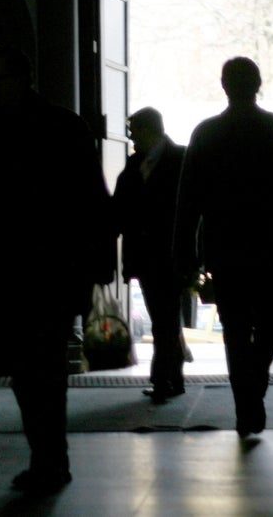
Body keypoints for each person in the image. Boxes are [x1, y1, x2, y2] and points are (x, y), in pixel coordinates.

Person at [0, 46, 115, 494]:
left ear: (20, 80)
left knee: (32, 374)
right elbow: (94, 201)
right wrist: (98, 264)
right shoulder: (67, 127)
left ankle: (48, 459)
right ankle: (51, 459)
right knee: (43, 371)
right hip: (57, 269)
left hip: (18, 270)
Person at [172, 56, 273, 438]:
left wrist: (185, 253)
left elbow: (188, 199)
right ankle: (255, 380)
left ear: (224, 85)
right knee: (272, 325)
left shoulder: (206, 132)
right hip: (272, 243)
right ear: (258, 83)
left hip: (225, 246)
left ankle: (246, 401)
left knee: (235, 327)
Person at [113, 106, 189, 403]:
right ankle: (172, 377)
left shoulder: (141, 165)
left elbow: (119, 210)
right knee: (167, 316)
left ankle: (163, 379)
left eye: (134, 132)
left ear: (149, 131)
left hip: (163, 253)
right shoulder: (178, 159)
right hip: (156, 254)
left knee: (164, 317)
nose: (132, 139)